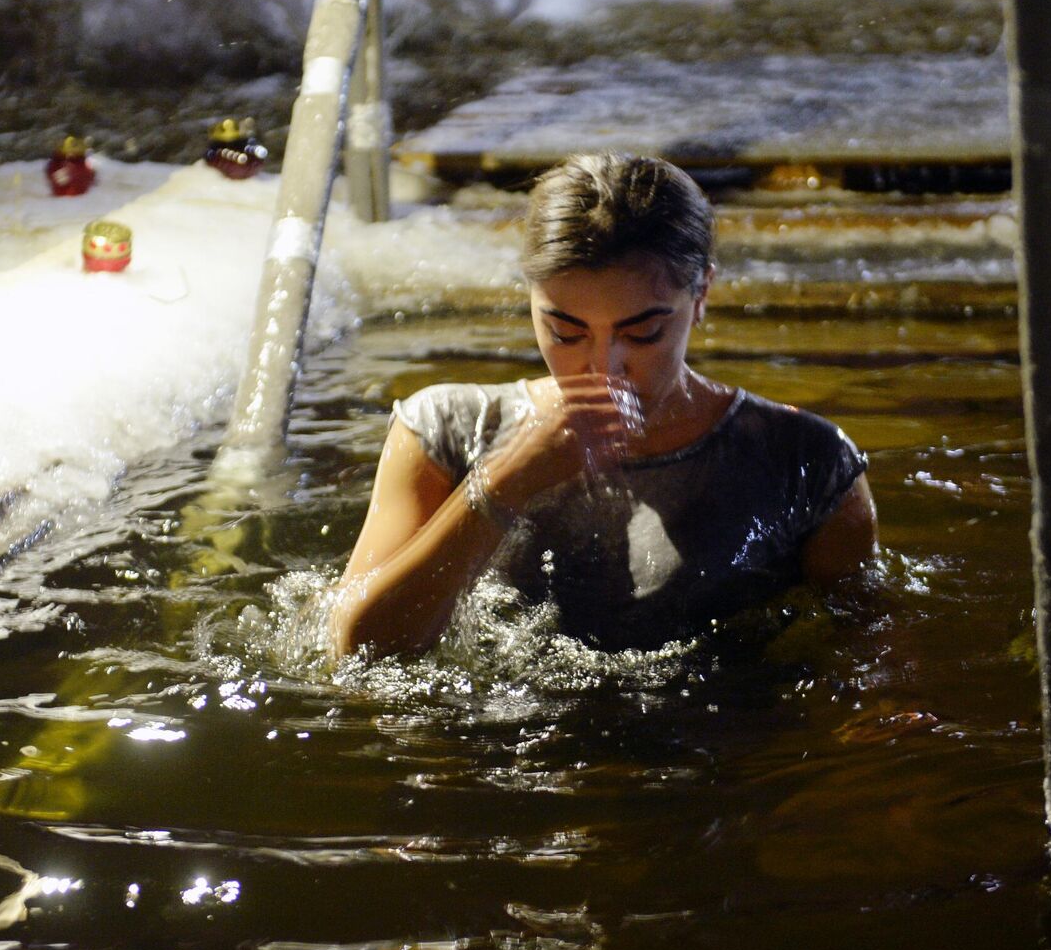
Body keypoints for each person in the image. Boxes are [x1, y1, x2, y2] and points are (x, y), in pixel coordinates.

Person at [331, 153, 876, 656]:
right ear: (531, 299)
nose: (603, 367)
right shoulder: (447, 432)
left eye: (644, 333)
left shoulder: (806, 463)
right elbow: (354, 650)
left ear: (702, 295)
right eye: (565, 332)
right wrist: (503, 482)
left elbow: (863, 657)